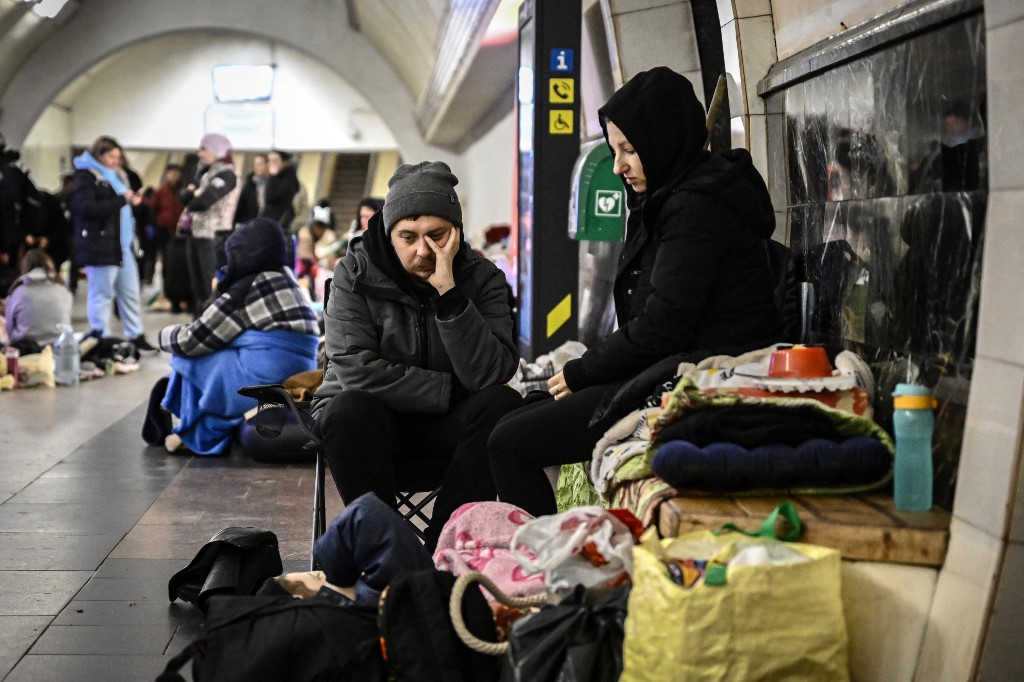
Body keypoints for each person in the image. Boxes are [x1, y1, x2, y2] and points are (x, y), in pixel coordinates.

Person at [488, 66, 784, 517]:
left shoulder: (695, 207)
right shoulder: (673, 197)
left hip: (699, 375)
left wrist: (583, 371)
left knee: (509, 442)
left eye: (629, 150)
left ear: (662, 141)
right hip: (672, 364)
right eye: (614, 150)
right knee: (512, 420)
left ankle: (546, 569)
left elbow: (664, 324)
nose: (619, 165)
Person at [311, 161, 522, 550]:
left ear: (456, 232)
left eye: (437, 236)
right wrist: (447, 389)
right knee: (347, 408)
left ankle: (445, 544)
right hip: (373, 428)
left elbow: (492, 373)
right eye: (408, 236)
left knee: (502, 404)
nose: (423, 250)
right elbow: (356, 370)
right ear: (389, 232)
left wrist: (451, 296)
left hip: (448, 434)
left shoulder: (484, 279)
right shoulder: (353, 273)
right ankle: (386, 547)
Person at [157, 217, 320, 455]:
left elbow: (192, 339)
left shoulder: (246, 287)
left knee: (188, 359)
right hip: (299, 373)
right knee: (221, 351)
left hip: (266, 380)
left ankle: (199, 433)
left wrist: (161, 335)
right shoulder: (286, 277)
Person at [70, 135, 156, 351]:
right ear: (98, 155)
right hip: (100, 244)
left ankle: (136, 335)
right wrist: (121, 200)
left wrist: (134, 203)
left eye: (118, 156)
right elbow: (86, 208)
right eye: (111, 156)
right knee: (102, 294)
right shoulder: (86, 176)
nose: (116, 161)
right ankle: (102, 337)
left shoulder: (119, 175)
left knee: (130, 292)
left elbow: (123, 207)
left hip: (124, 245)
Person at [178, 133, 240, 314]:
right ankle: (198, 326)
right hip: (197, 234)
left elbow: (202, 202)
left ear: (217, 151)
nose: (200, 154)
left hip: (213, 236)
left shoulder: (227, 175)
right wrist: (192, 195)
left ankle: (211, 328)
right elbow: (184, 196)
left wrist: (193, 194)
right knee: (198, 290)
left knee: (209, 287)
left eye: (204, 149)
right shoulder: (205, 173)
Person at [4, 248, 72, 354]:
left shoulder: (18, 292)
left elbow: (10, 330)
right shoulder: (63, 289)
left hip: (26, 351)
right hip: (59, 350)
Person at [260, 150, 300, 230]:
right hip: (268, 221)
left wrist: (273, 176)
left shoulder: (288, 180)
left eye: (274, 161)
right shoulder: (274, 178)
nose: (270, 164)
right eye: (269, 161)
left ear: (284, 162)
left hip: (280, 222)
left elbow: (271, 197)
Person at [232, 152, 268, 226]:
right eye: (255, 164)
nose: (257, 167)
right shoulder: (248, 185)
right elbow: (240, 208)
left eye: (260, 164)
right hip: (249, 224)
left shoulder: (272, 185)